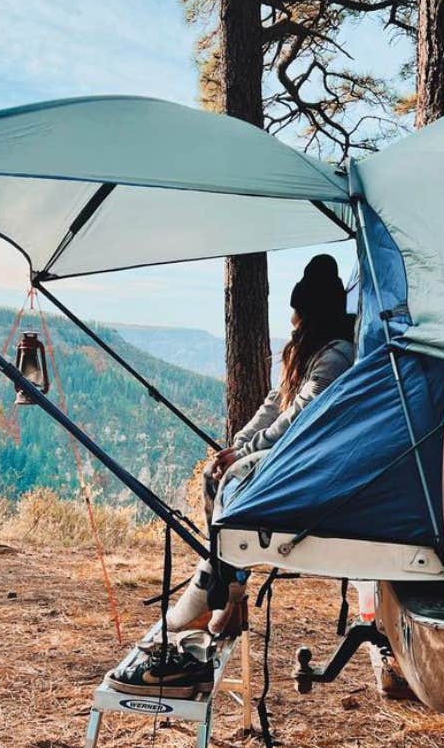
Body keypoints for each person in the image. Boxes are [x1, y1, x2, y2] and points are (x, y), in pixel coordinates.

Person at [108, 254, 356, 697]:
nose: (293, 326)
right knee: (217, 474)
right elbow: (274, 403)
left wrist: (242, 454)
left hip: (312, 469)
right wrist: (237, 443)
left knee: (227, 483)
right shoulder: (313, 350)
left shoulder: (336, 356)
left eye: (297, 319)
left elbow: (300, 418)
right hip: (294, 458)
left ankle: (219, 590)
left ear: (313, 316)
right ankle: (227, 589)